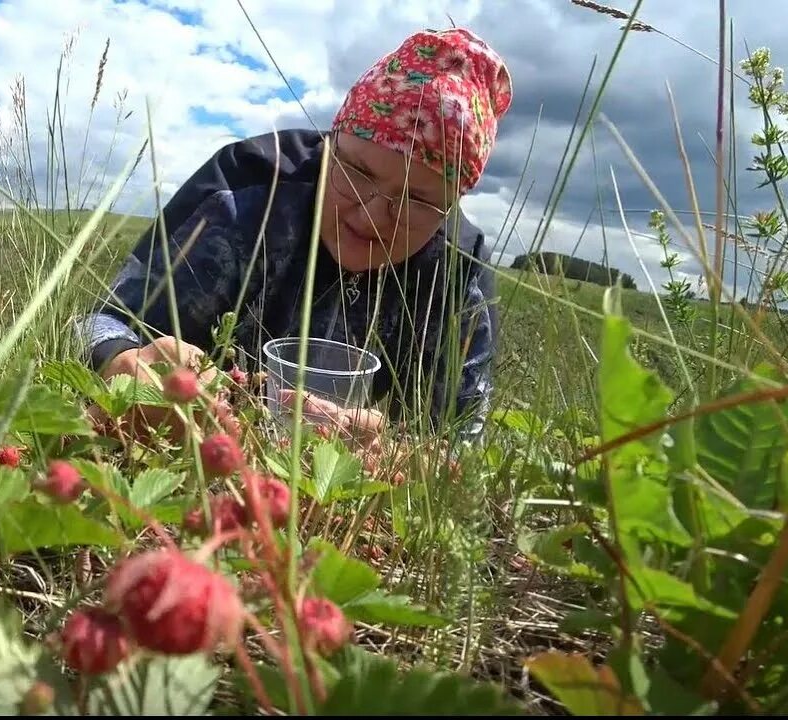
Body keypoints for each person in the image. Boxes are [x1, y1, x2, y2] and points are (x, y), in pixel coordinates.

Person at [74, 27, 512, 449]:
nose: (375, 216)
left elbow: (461, 440)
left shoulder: (457, 268)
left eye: (417, 199)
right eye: (358, 173)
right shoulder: (245, 193)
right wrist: (121, 358)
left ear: (451, 206)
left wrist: (394, 447)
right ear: (331, 144)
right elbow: (97, 321)